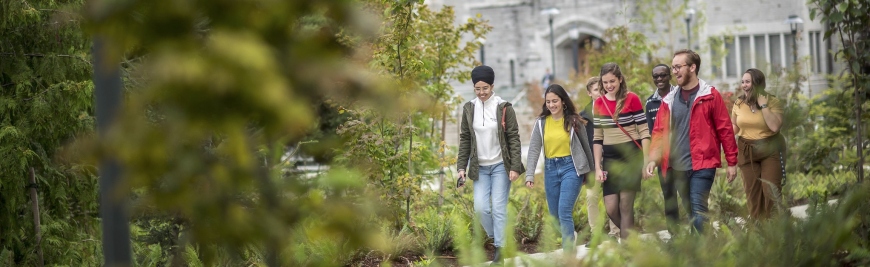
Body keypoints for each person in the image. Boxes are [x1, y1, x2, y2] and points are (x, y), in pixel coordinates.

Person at [645, 49, 739, 234]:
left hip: (703, 163)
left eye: (678, 67)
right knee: (692, 212)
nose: (674, 72)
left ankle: (705, 253)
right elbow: (658, 132)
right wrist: (653, 158)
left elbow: (725, 129)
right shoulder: (669, 100)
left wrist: (732, 162)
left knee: (698, 208)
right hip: (678, 167)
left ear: (692, 67)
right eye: (673, 68)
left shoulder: (710, 95)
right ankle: (706, 246)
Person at [456, 65, 525, 264]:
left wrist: (514, 166)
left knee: (499, 209)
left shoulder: (504, 107)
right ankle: (500, 237)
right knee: (481, 209)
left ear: (492, 86)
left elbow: (513, 138)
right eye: (477, 89)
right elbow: (465, 139)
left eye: (485, 88)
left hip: (500, 166)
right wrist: (461, 167)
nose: (481, 92)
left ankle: (500, 250)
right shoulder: (469, 108)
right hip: (480, 168)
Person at [525, 84, 594, 253]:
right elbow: (534, 148)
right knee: (555, 216)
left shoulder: (573, 121)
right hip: (550, 169)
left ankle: (568, 254)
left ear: (563, 101)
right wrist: (530, 175)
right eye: (548, 102)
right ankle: (571, 235)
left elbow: (586, 146)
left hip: (571, 167)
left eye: (555, 101)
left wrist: (590, 172)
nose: (551, 105)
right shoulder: (541, 123)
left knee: (564, 211)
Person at [592, 63, 651, 241]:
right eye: (605, 82)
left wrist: (646, 161)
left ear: (620, 79)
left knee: (626, 205)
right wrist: (597, 167)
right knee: (611, 208)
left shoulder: (631, 99)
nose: (609, 85)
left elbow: (644, 132)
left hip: (631, 157)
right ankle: (631, 236)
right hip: (610, 159)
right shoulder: (598, 104)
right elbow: (597, 137)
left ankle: (627, 249)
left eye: (612, 81)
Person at [732, 68, 785, 220]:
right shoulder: (739, 103)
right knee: (752, 194)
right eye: (742, 82)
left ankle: (774, 228)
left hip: (769, 149)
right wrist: (723, 138)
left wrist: (764, 106)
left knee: (771, 191)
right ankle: (757, 229)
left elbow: (775, 127)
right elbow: (735, 125)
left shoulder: (773, 101)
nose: (744, 85)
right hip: (746, 150)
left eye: (747, 82)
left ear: (758, 83)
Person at [580, 77, 619, 244]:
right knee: (591, 197)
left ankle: (615, 232)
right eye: (596, 90)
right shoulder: (583, 117)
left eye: (601, 89)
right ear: (589, 93)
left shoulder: (615, 109)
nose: (600, 92)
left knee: (613, 196)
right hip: (592, 164)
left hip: (612, 159)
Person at [645, 64, 682, 234]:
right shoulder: (650, 103)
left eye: (663, 75)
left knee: (688, 193)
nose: (659, 79)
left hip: (683, 154)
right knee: (668, 196)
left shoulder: (680, 95)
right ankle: (674, 233)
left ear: (669, 76)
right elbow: (653, 133)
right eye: (656, 76)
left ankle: (697, 232)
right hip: (663, 158)